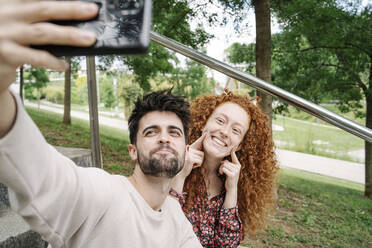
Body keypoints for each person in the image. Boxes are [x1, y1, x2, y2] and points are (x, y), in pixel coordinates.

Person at [0, 1, 202, 247]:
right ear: (133, 151)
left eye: (175, 132)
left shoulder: (176, 218)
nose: (164, 138)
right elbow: (41, 175)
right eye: (151, 131)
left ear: (186, 150)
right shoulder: (103, 193)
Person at [170, 90, 279, 247]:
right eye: (220, 121)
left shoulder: (235, 185)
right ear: (204, 123)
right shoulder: (171, 161)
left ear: (240, 144)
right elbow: (163, 225)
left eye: (236, 130)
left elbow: (226, 245)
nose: (225, 132)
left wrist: (232, 189)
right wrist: (181, 174)